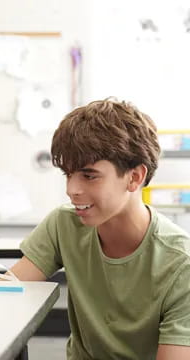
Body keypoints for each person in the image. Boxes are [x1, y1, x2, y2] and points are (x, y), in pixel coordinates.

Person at [10, 99, 190, 359]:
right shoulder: (64, 224)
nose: (71, 189)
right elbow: (8, 289)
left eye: (89, 175)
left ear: (134, 177)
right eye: (67, 175)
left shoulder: (180, 265)